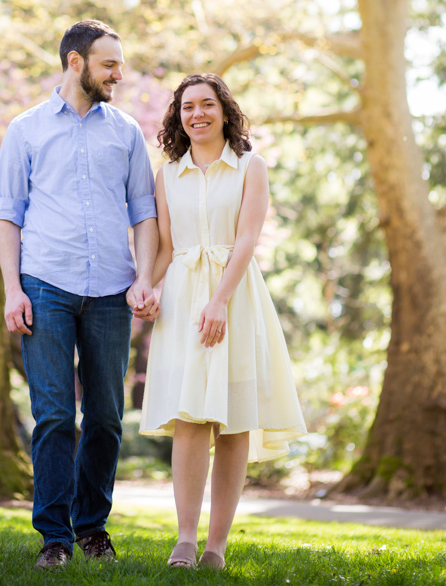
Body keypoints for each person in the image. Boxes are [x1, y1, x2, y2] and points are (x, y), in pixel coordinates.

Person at [0, 20, 159, 570]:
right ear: (75, 62)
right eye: (109, 64)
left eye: (120, 63)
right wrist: (12, 289)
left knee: (108, 417)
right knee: (56, 415)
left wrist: (143, 276)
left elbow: (144, 211)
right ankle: (55, 539)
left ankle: (92, 527)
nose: (119, 73)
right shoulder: (26, 129)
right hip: (45, 284)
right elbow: (7, 215)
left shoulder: (127, 131)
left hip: (113, 288)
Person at [138, 73, 306, 570]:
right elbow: (167, 248)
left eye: (207, 105)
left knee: (232, 424)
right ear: (178, 117)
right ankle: (184, 542)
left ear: (225, 111)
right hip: (185, 302)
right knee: (190, 420)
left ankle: (216, 548)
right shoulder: (167, 175)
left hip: (236, 298)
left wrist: (219, 301)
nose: (197, 114)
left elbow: (248, 238)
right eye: (188, 107)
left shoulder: (250, 167)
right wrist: (146, 284)